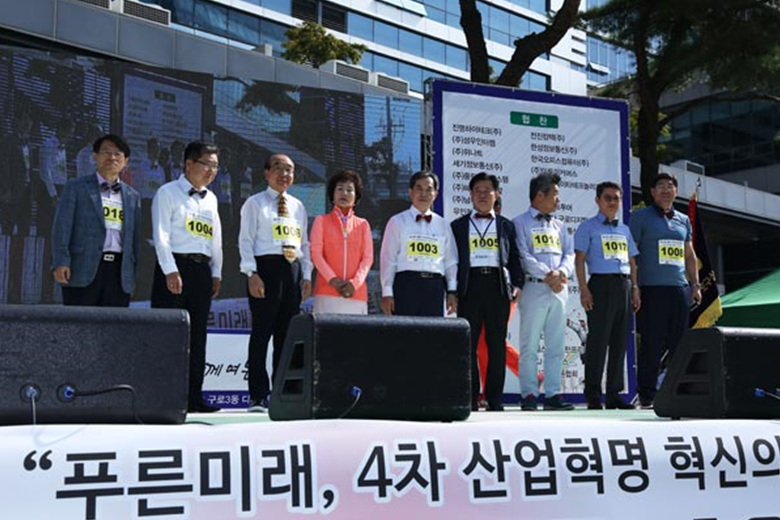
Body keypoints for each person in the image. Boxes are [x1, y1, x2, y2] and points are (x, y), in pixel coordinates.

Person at [151, 141, 223, 413]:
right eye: (207, 164)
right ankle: (164, 397)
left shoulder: (212, 198)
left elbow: (216, 239)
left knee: (198, 336)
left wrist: (216, 271)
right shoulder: (167, 192)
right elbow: (161, 235)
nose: (211, 171)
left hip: (202, 271)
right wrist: (170, 269)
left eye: (216, 166)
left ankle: (194, 397)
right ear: (189, 164)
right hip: (174, 267)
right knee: (169, 335)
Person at [239, 153, 312, 412]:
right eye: (279, 168)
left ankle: (284, 394)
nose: (285, 174)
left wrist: (306, 275)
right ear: (266, 173)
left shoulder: (298, 206)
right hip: (265, 270)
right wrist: (251, 273)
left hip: (292, 270)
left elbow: (304, 244)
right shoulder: (254, 203)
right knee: (261, 333)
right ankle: (258, 395)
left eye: (289, 170)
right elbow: (245, 241)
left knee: (287, 336)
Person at [451, 173, 523, 412]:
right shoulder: (458, 226)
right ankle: (469, 398)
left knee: (496, 345)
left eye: (487, 190)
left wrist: (518, 284)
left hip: (497, 287)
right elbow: (452, 261)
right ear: (471, 195)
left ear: (497, 194)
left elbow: (515, 258)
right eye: (477, 191)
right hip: (470, 287)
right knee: (467, 344)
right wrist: (452, 290)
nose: (482, 195)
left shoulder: (506, 225)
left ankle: (494, 399)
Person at [629, 173, 701, 409]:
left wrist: (695, 284)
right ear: (652, 192)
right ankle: (647, 395)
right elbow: (632, 255)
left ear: (676, 192)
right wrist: (635, 286)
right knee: (652, 342)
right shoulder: (640, 217)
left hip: (679, 289)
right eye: (660, 186)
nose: (665, 190)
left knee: (679, 344)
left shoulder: (683, 220)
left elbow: (689, 255)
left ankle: (677, 392)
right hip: (652, 289)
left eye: (670, 186)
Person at [50, 134, 140, 307]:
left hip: (119, 274)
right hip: (82, 269)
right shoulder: (76, 187)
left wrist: (133, 276)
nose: (112, 157)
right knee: (79, 322)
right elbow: (62, 228)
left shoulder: (132, 196)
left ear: (126, 161)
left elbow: (134, 241)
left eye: (118, 154)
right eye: (106, 152)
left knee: (114, 324)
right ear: (95, 156)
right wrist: (60, 262)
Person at [574, 181, 641, 410]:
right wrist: (584, 289)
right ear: (598, 201)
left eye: (616, 198)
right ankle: (593, 394)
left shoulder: (624, 229)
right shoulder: (588, 227)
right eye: (608, 198)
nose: (612, 202)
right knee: (598, 342)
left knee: (619, 342)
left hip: (624, 285)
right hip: (600, 286)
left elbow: (632, 261)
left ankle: (614, 394)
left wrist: (635, 288)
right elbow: (579, 260)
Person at [513, 172, 575, 411]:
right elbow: (522, 254)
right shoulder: (520, 223)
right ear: (540, 195)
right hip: (534, 288)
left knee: (556, 345)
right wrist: (548, 275)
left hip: (558, 289)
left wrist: (561, 273)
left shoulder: (560, 225)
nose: (558, 199)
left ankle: (553, 394)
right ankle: (529, 394)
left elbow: (569, 254)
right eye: (555, 194)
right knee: (529, 345)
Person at [379, 171, 458, 316]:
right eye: (419, 188)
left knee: (433, 330)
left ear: (435, 194)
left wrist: (452, 291)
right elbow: (388, 259)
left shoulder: (443, 225)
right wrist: (387, 292)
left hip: (434, 288)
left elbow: (450, 261)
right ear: (410, 192)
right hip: (406, 286)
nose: (423, 194)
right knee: (404, 330)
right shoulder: (397, 222)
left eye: (429, 189)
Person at [309, 170, 373, 314]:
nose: (344, 193)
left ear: (356, 197)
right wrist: (332, 280)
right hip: (326, 292)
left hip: (356, 294)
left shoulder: (363, 225)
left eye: (349, 190)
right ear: (332, 194)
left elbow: (367, 259)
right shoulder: (321, 221)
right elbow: (316, 254)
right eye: (339, 189)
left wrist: (354, 284)